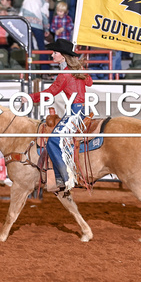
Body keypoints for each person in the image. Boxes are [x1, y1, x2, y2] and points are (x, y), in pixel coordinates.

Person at [27, 38, 93, 192]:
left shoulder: (64, 75)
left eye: (55, 52)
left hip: (74, 113)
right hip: (82, 110)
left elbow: (50, 93)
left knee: (52, 142)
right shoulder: (77, 71)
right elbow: (89, 82)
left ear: (63, 56)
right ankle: (60, 176)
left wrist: (30, 98)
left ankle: (65, 177)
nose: (52, 55)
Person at [19, 0, 50, 67]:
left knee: (29, 48)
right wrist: (46, 29)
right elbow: (44, 15)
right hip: (37, 24)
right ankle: (44, 70)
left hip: (25, 23)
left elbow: (21, 12)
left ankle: (31, 69)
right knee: (41, 47)